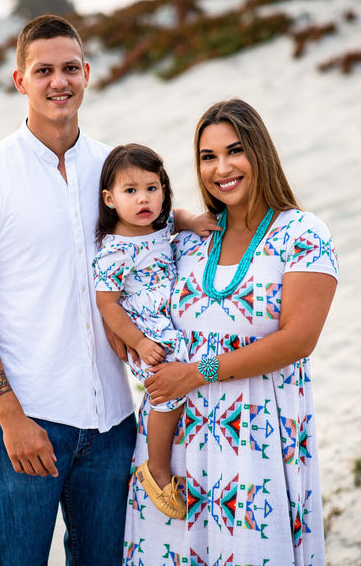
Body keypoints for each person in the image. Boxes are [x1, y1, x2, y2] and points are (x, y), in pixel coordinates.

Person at [0, 15, 136, 565]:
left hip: (113, 422)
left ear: (87, 74)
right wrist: (11, 419)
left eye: (70, 68)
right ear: (19, 80)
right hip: (27, 419)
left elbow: (155, 250)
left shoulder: (114, 170)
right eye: (43, 70)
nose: (59, 82)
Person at [122, 98, 338, 565]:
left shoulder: (302, 233)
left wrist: (197, 372)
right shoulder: (190, 240)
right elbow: (121, 261)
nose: (222, 168)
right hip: (174, 445)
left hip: (255, 443)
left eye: (234, 151)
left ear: (259, 152)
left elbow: (298, 339)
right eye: (207, 157)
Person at [92, 143, 219, 520]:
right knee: (168, 391)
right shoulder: (115, 250)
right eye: (130, 191)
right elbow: (107, 304)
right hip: (147, 330)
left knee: (185, 384)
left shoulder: (159, 224)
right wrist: (140, 342)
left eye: (152, 188)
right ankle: (157, 467)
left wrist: (193, 221)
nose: (143, 199)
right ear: (110, 199)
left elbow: (175, 217)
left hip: (168, 318)